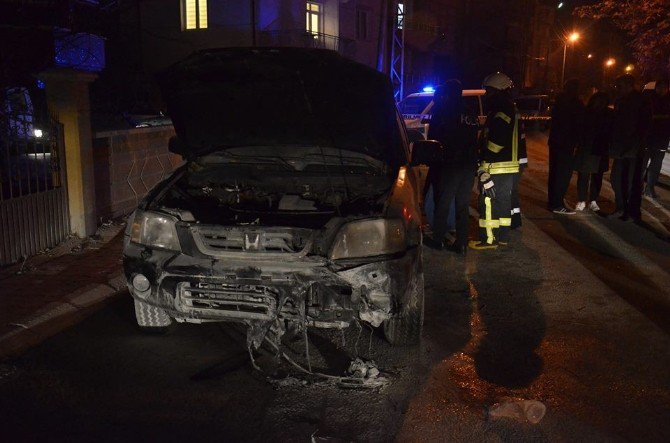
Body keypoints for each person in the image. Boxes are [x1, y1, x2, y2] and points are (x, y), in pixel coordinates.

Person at [469, 72, 524, 250]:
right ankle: (502, 238)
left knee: (488, 202)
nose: (487, 95)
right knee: (502, 202)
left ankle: (489, 240)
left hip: (496, 166)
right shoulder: (510, 108)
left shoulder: (500, 111)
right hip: (506, 167)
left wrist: (483, 160)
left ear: (498, 91)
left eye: (489, 91)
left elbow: (496, 142)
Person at [425, 80, 479, 254]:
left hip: (451, 164)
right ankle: (461, 243)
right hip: (469, 164)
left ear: (446, 94)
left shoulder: (444, 110)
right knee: (462, 205)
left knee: (443, 202)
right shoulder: (470, 112)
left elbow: (434, 139)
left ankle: (438, 239)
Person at [609, 74, 652, 221]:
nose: (617, 89)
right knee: (616, 179)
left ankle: (631, 211)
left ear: (628, 85)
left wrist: (637, 145)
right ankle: (621, 208)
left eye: (619, 86)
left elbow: (644, 126)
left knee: (631, 182)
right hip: (621, 148)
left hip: (633, 149)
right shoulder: (620, 100)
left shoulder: (640, 101)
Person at [547, 79, 584, 214]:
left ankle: (553, 202)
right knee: (562, 176)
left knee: (555, 174)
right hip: (567, 145)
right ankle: (557, 204)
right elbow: (579, 125)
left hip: (556, 143)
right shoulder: (575, 104)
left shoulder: (559, 102)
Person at [573, 92, 612, 211]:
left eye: (602, 101)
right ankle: (581, 200)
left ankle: (593, 200)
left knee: (597, 176)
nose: (599, 104)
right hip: (586, 149)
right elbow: (579, 129)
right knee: (583, 176)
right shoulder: (586, 113)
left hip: (600, 149)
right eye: (598, 101)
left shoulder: (608, 114)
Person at [644, 80, 670, 199]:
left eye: (665, 87)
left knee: (656, 166)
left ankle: (649, 189)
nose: (662, 89)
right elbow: (647, 117)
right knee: (642, 165)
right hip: (647, 138)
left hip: (662, 139)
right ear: (656, 88)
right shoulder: (649, 99)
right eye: (660, 87)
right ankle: (637, 188)